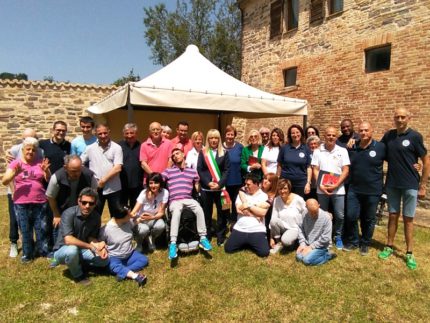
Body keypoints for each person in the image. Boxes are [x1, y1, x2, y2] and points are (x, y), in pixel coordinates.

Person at [378, 108, 430, 270]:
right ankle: (389, 246)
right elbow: (377, 150)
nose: (399, 120)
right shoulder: (389, 136)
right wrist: (355, 141)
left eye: (402, 117)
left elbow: (426, 161)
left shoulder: (415, 136)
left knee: (408, 218)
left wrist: (423, 185)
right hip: (392, 183)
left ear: (409, 118)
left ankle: (409, 253)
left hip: (410, 184)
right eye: (397, 117)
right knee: (393, 216)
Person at [2, 137, 51, 263]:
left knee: (41, 228)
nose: (30, 152)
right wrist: (14, 173)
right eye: (28, 149)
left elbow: (48, 179)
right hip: (21, 202)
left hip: (40, 201)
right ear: (23, 150)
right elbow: (5, 181)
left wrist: (46, 171)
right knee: (25, 229)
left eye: (33, 150)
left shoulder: (40, 162)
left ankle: (43, 251)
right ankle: (27, 255)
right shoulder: (16, 163)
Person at [343, 122, 386, 256]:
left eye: (366, 130)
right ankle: (354, 241)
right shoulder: (352, 147)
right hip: (354, 189)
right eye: (361, 130)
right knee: (351, 216)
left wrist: (416, 166)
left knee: (368, 218)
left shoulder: (380, 147)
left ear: (372, 131)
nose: (363, 133)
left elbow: (395, 160)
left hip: (373, 190)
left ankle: (365, 243)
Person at [162, 148, 212, 260]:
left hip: (188, 198)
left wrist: (198, 183)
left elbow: (197, 187)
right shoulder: (169, 171)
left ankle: (203, 238)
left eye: (177, 153)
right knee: (176, 211)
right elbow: (158, 180)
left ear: (183, 154)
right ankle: (173, 243)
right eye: (173, 155)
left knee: (199, 208)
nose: (175, 156)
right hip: (175, 200)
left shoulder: (192, 171)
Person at [53, 188, 109, 285]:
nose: (87, 206)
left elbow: (91, 237)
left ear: (95, 204)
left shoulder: (96, 217)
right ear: (78, 201)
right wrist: (92, 247)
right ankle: (78, 275)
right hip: (63, 249)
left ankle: (78, 263)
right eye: (84, 202)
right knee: (72, 250)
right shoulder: (68, 213)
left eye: (91, 203)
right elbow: (68, 240)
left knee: (104, 260)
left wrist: (99, 246)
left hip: (82, 249)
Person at [6, 128, 43, 258]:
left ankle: (36, 247)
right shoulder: (15, 149)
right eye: (25, 139)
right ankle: (14, 243)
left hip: (35, 196)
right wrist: (13, 190)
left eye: (33, 138)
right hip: (17, 192)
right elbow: (9, 172)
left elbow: (40, 170)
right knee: (16, 221)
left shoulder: (40, 151)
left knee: (36, 223)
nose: (29, 142)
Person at [311, 126, 350, 249]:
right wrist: (320, 185)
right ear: (324, 136)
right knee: (322, 214)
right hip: (321, 189)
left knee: (339, 215)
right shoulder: (317, 151)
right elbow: (315, 169)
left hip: (338, 189)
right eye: (329, 135)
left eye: (333, 135)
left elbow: (346, 169)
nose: (331, 137)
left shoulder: (342, 151)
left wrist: (337, 184)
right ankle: (324, 236)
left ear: (336, 137)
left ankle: (337, 236)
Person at [46, 155, 98, 240]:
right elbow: (50, 197)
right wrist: (56, 214)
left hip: (82, 211)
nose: (77, 174)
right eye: (73, 171)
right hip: (62, 211)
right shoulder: (56, 177)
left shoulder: (90, 176)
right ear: (65, 167)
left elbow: (94, 194)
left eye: (79, 170)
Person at [99, 204, 148, 287]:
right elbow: (100, 240)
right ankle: (132, 274)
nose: (131, 215)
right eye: (129, 214)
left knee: (144, 260)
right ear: (121, 217)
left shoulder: (127, 222)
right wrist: (103, 248)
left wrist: (140, 218)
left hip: (130, 254)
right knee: (112, 266)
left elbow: (134, 223)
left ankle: (123, 272)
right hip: (115, 257)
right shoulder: (106, 229)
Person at [81, 124, 123, 216]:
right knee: (94, 214)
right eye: (100, 134)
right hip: (96, 188)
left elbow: (118, 167)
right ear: (95, 134)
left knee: (116, 215)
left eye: (105, 133)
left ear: (109, 132)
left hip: (113, 188)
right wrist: (89, 176)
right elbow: (80, 163)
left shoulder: (117, 148)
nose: (103, 136)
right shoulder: (90, 148)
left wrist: (103, 180)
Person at [224, 173, 270, 257]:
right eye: (245, 184)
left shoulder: (264, 196)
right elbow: (239, 210)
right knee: (228, 249)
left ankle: (247, 242)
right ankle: (245, 241)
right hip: (240, 228)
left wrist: (248, 205)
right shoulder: (241, 194)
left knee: (264, 253)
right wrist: (255, 213)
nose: (246, 186)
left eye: (248, 184)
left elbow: (262, 213)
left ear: (256, 184)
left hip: (257, 229)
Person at [197, 129, 230, 245]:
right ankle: (207, 234)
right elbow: (199, 169)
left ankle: (220, 235)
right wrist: (207, 182)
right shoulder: (203, 152)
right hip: (207, 188)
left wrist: (219, 184)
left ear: (219, 139)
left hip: (220, 188)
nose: (214, 140)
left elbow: (227, 170)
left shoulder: (224, 153)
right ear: (208, 139)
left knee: (221, 212)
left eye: (216, 138)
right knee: (207, 212)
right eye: (211, 138)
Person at [131, 172, 168, 252]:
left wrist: (152, 217)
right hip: (141, 219)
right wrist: (135, 219)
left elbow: (161, 212)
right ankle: (139, 242)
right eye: (151, 183)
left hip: (154, 218)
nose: (153, 185)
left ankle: (152, 238)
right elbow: (134, 211)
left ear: (160, 183)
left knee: (161, 225)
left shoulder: (164, 192)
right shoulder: (143, 193)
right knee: (144, 229)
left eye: (156, 183)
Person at [270, 179, 306, 254]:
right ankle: (279, 243)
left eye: (285, 188)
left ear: (289, 188)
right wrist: (271, 238)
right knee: (273, 220)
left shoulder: (298, 199)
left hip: (294, 228)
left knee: (286, 241)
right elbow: (273, 217)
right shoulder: (277, 200)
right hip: (283, 227)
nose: (282, 191)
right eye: (280, 189)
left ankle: (292, 242)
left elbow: (307, 213)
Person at [296, 199, 336, 266]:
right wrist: (302, 243)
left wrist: (311, 247)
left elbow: (326, 238)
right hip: (307, 243)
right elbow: (300, 229)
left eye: (316, 212)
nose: (314, 215)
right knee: (299, 257)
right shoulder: (304, 214)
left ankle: (327, 255)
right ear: (306, 208)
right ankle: (314, 254)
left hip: (321, 246)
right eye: (311, 213)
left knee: (306, 260)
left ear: (319, 206)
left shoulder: (326, 218)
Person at [277, 124, 312, 197]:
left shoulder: (306, 148)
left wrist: (308, 183)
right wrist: (278, 179)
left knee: (299, 205)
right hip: (286, 183)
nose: (295, 134)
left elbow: (309, 167)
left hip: (301, 183)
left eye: (297, 132)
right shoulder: (284, 148)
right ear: (290, 135)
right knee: (285, 204)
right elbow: (279, 165)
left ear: (301, 133)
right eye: (293, 133)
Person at [118, 123, 143, 208]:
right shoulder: (118, 146)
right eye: (127, 133)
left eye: (132, 133)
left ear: (136, 133)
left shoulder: (141, 146)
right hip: (121, 184)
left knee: (135, 208)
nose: (129, 135)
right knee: (121, 208)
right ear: (123, 134)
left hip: (137, 184)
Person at [223, 125, 244, 225]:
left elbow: (244, 161)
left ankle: (235, 219)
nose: (230, 136)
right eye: (228, 134)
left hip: (237, 180)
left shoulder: (240, 147)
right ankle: (226, 218)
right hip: (224, 181)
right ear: (225, 135)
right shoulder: (220, 147)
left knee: (236, 201)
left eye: (232, 134)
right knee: (225, 202)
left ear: (235, 136)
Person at [261, 172, 279, 241]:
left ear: (273, 184)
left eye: (269, 181)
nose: (265, 181)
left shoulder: (274, 195)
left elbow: (265, 205)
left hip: (268, 221)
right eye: (265, 179)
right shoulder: (259, 191)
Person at [306, 135, 321, 200]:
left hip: (320, 184)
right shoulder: (307, 155)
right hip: (310, 185)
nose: (313, 146)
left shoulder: (322, 155)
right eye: (311, 144)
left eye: (315, 144)